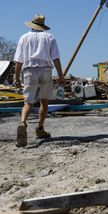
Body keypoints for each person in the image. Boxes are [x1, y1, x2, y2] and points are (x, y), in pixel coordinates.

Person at [14, 14, 65, 147]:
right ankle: (40, 129)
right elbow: (56, 58)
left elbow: (18, 61)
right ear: (42, 25)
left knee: (28, 102)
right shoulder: (49, 37)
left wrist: (16, 77)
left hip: (29, 70)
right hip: (45, 70)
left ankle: (22, 123)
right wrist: (61, 76)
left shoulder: (24, 38)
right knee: (44, 101)